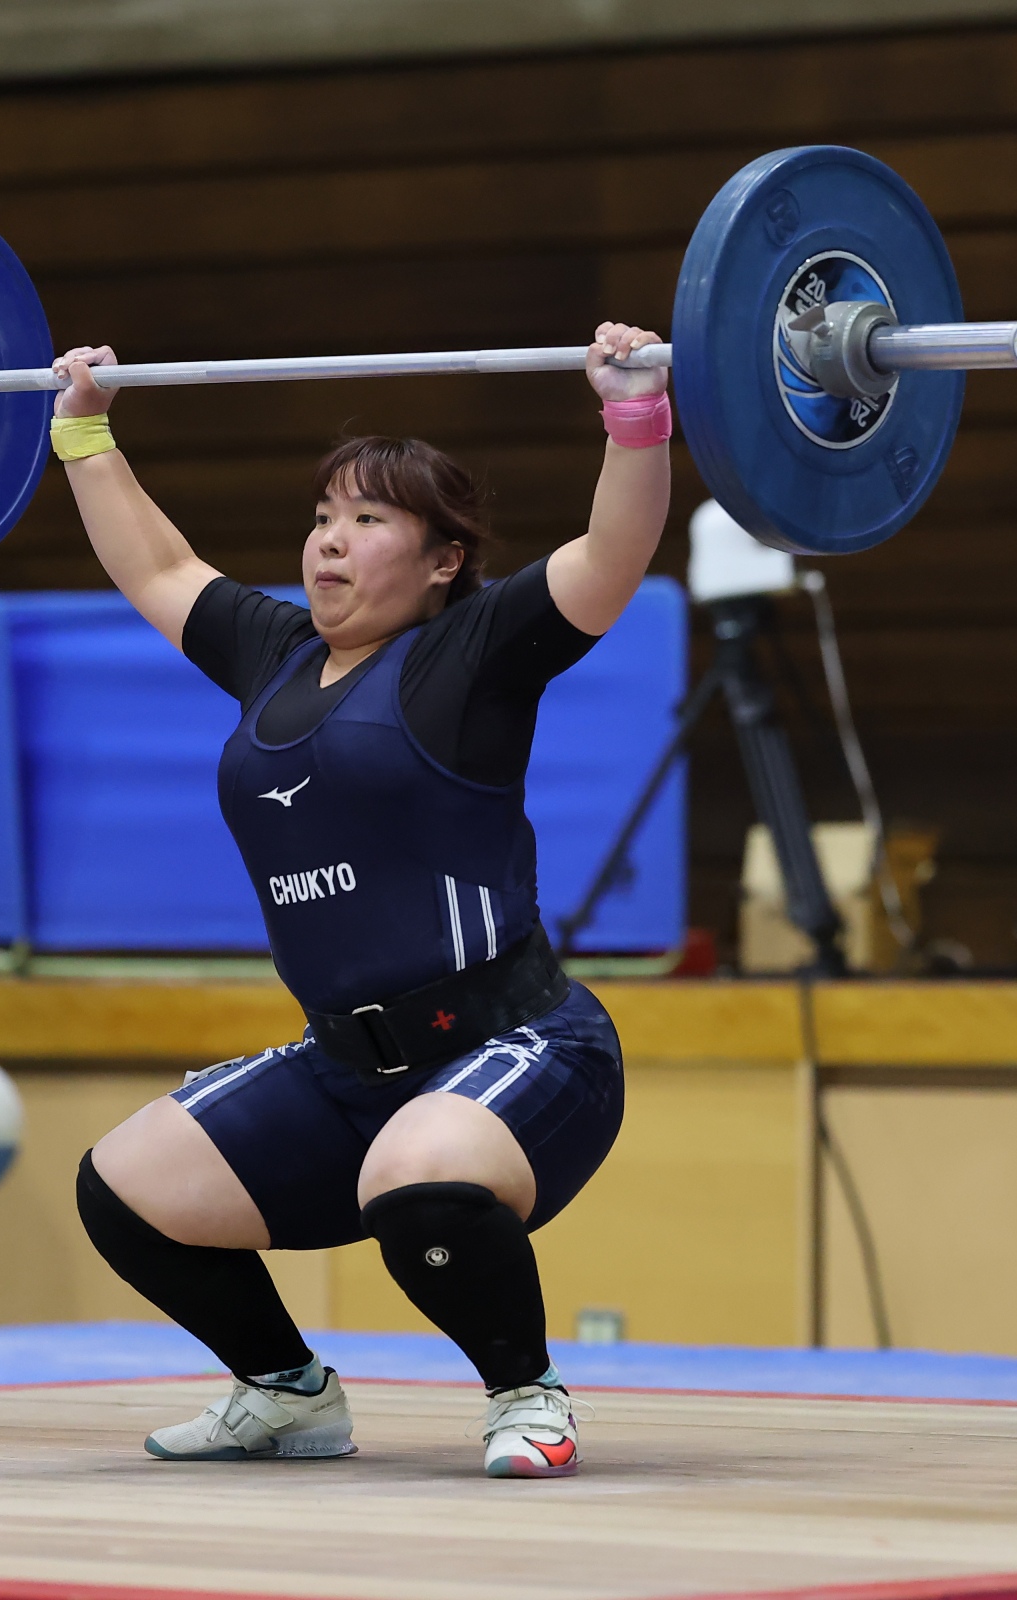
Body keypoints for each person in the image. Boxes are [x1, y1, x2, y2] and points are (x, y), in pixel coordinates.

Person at [57, 321, 670, 1478]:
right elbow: (158, 569)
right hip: (345, 1068)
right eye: (323, 516)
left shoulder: (470, 654)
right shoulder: (275, 653)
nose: (330, 540)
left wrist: (633, 413)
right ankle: (287, 1393)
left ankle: (526, 1392)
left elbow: (613, 553)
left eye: (370, 519)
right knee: (124, 1189)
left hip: (520, 1045)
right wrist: (83, 430)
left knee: (417, 1177)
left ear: (443, 560)